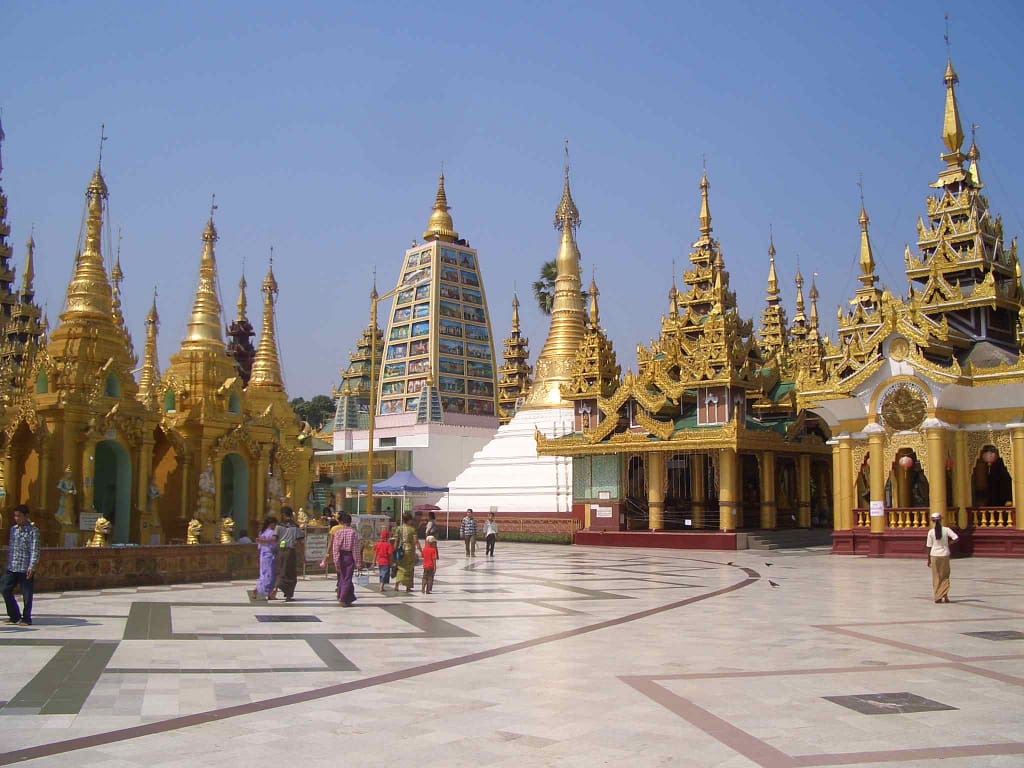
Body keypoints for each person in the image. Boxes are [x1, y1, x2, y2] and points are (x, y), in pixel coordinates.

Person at [2, 505, 39, 626]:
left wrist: (32, 566)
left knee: (26, 594)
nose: (16, 518)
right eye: (15, 516)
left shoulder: (33, 531)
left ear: (26, 516)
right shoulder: (13, 529)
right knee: (5, 589)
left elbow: (35, 549)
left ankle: (26, 618)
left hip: (25, 568)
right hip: (12, 566)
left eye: (19, 516)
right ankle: (14, 616)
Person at [321, 511, 361, 605]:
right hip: (349, 557)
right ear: (350, 522)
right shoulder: (353, 533)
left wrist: (336, 561)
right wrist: (358, 562)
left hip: (340, 556)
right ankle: (343, 598)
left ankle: (344, 596)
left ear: (341, 522)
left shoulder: (338, 532)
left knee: (342, 577)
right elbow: (355, 549)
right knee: (347, 578)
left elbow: (335, 548)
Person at [270, 507, 305, 602]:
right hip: (290, 551)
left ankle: (276, 587)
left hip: (281, 551)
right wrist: (302, 554)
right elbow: (299, 542)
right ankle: (288, 595)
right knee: (291, 573)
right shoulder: (295, 526)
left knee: (281, 570)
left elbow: (274, 539)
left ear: (283, 514)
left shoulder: (279, 525)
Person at [926, 512, 959, 603]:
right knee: (945, 576)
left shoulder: (931, 532)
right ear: (941, 520)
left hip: (934, 555)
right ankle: (945, 595)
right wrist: (949, 543)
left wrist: (928, 560)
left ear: (932, 521)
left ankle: (937, 596)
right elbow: (956, 538)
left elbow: (929, 546)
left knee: (936, 577)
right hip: (944, 554)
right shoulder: (946, 530)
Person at [248, 516, 278, 602]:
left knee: (263, 573)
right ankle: (262, 591)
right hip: (269, 555)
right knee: (270, 574)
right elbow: (274, 543)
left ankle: (263, 591)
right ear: (271, 524)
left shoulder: (262, 532)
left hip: (263, 555)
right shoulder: (272, 533)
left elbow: (259, 546)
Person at [393, 512, 422, 593]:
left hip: (401, 550)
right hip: (410, 550)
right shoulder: (412, 529)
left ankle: (397, 585)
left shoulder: (398, 529)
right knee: (410, 568)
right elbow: (416, 541)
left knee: (400, 567)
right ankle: (408, 587)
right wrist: (421, 550)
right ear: (409, 520)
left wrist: (394, 551)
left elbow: (396, 541)